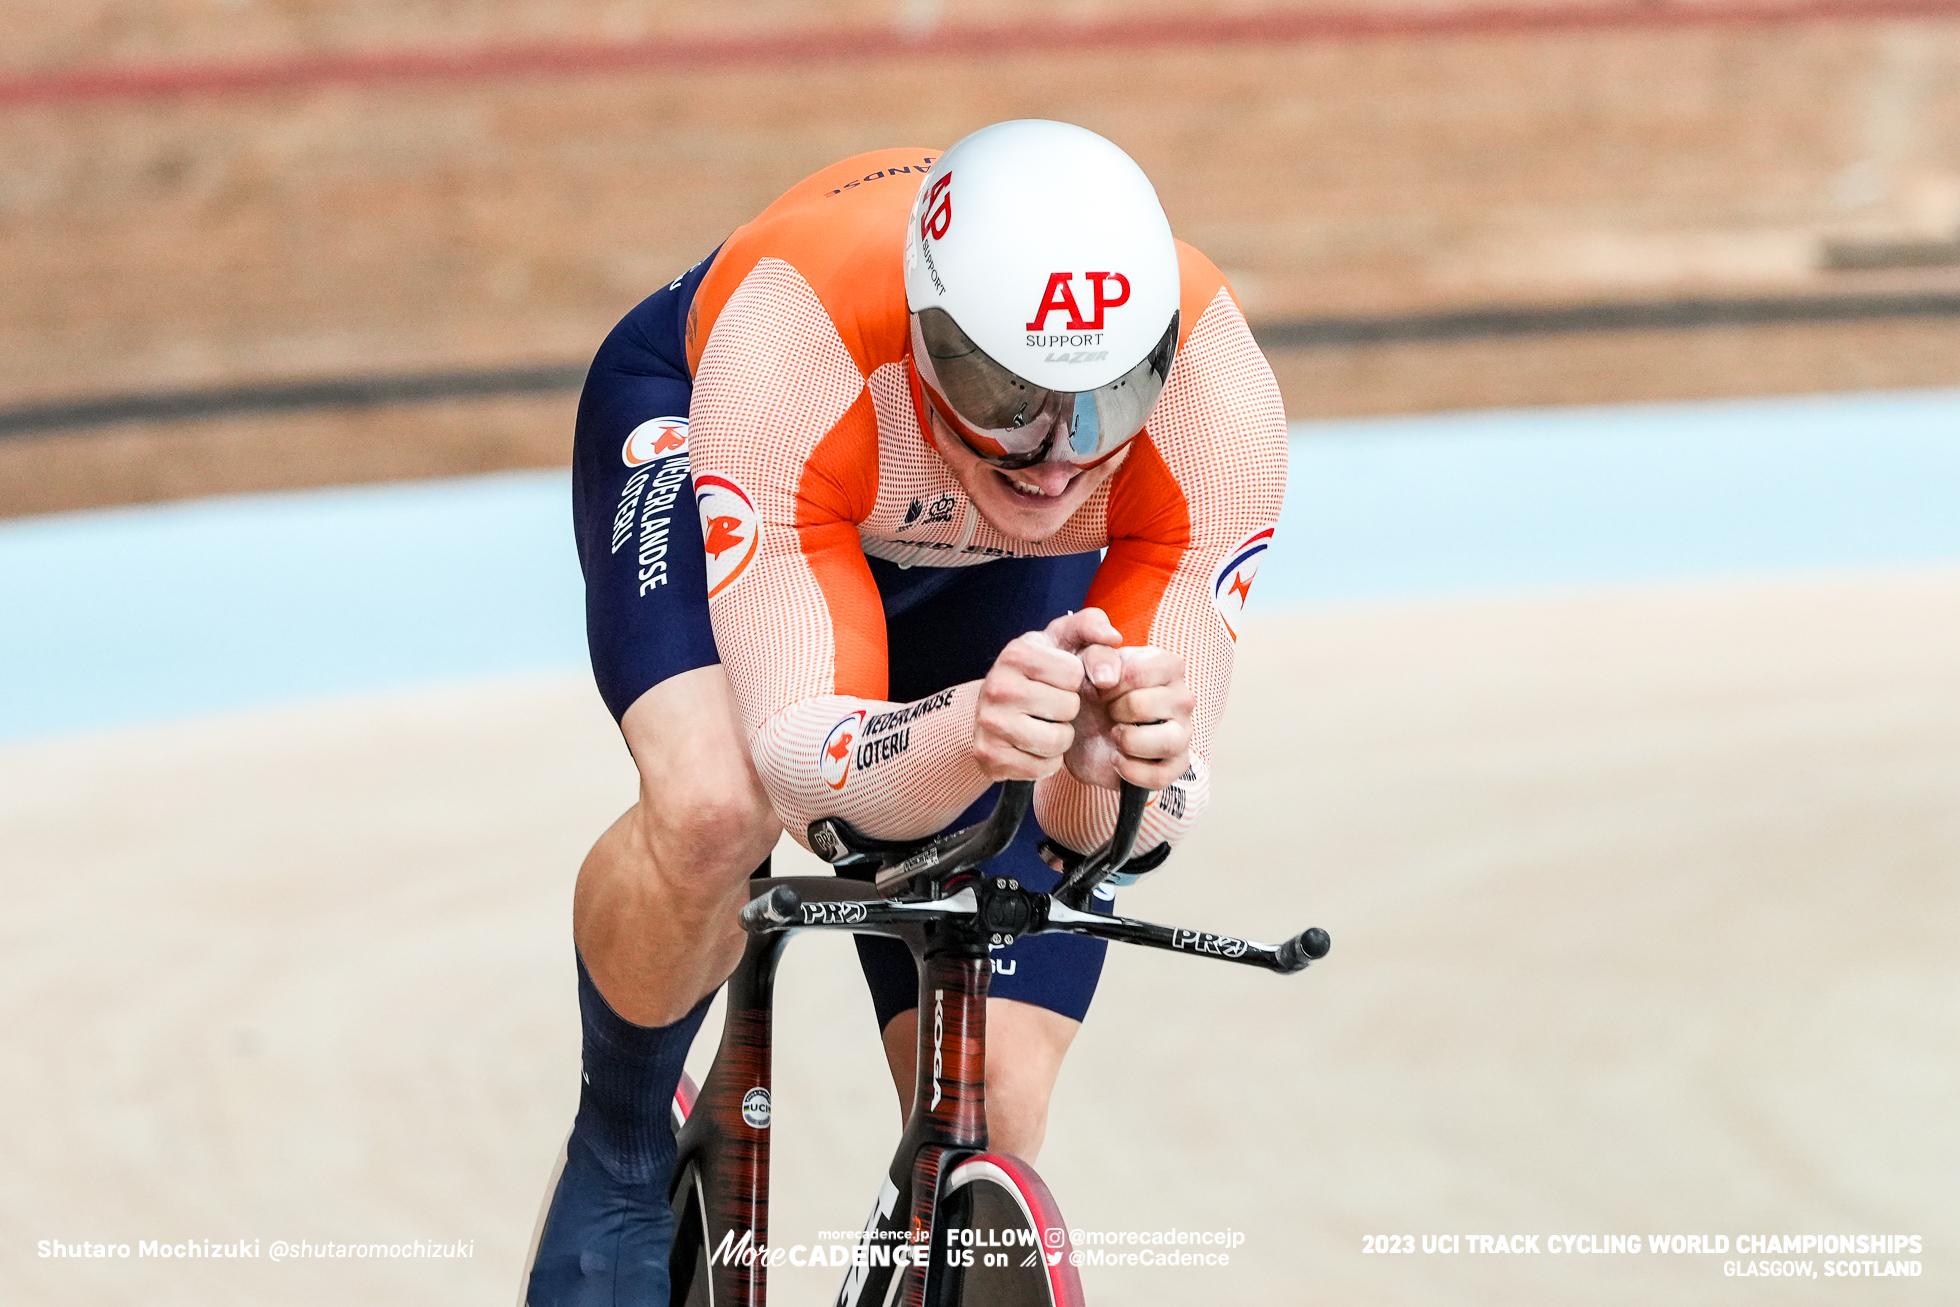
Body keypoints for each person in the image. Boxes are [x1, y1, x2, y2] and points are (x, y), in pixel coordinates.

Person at [525, 119, 1286, 1305]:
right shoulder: (795, 340)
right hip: (743, 429)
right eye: (1008, 393)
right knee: (715, 804)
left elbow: (1124, 835)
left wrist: (1101, 763)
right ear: (930, 339)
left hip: (960, 531)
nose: (1056, 458)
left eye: (1105, 398)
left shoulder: (1214, 403)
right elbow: (811, 779)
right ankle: (616, 1153)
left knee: (1007, 1102)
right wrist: (973, 732)